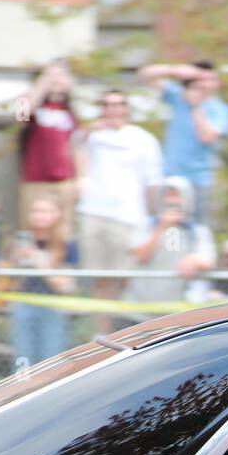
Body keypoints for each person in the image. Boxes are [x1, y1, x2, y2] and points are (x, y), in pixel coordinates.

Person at [75, 88, 162, 314]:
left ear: (126, 108)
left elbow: (152, 183)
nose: (112, 109)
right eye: (107, 104)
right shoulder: (91, 136)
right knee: (97, 279)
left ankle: (118, 329)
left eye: (118, 104)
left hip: (128, 216)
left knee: (122, 278)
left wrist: (149, 218)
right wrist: (88, 130)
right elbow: (71, 150)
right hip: (93, 213)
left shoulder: (143, 139)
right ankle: (100, 333)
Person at [137, 60, 228, 225]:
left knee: (197, 230)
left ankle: (196, 252)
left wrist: (196, 107)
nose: (205, 84)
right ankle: (173, 251)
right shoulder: (178, 97)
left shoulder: (220, 109)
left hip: (198, 181)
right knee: (171, 229)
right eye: (200, 79)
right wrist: (173, 70)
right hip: (171, 177)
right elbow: (145, 76)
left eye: (210, 79)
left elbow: (207, 137)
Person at [0, 193, 79, 369]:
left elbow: (66, 285)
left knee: (50, 361)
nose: (39, 215)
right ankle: (21, 393)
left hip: (53, 306)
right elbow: (7, 281)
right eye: (35, 211)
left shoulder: (66, 244)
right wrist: (15, 260)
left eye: (45, 211)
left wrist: (37, 260)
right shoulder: (21, 241)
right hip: (24, 304)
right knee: (23, 361)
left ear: (57, 214)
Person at [125, 175, 215, 306]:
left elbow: (208, 261)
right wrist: (162, 227)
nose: (171, 201)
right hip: (139, 310)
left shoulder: (197, 232)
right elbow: (140, 256)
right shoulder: (145, 225)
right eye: (167, 195)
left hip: (177, 313)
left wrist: (195, 261)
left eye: (176, 195)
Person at [18, 60, 78, 237]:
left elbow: (78, 146)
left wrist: (80, 178)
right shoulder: (29, 100)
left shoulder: (71, 112)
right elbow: (21, 115)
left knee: (63, 232)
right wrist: (43, 82)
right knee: (31, 229)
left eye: (62, 74)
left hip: (64, 181)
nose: (57, 79)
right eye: (53, 74)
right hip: (35, 180)